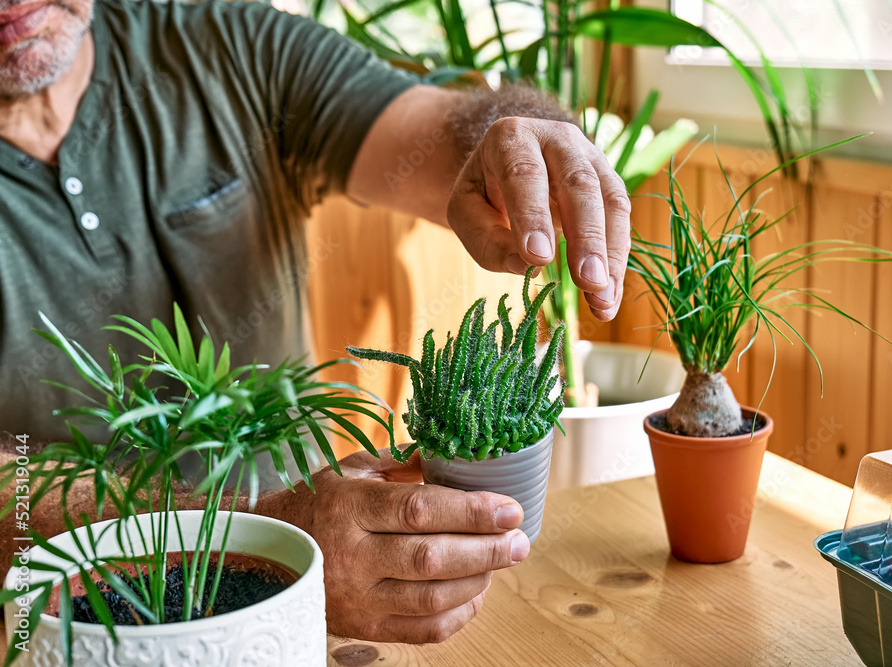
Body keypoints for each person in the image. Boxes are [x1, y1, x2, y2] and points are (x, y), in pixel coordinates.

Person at [0, 0, 630, 644]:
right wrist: (257, 535)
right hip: (61, 629)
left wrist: (521, 140)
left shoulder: (224, 45)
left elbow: (442, 131)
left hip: (319, 602)